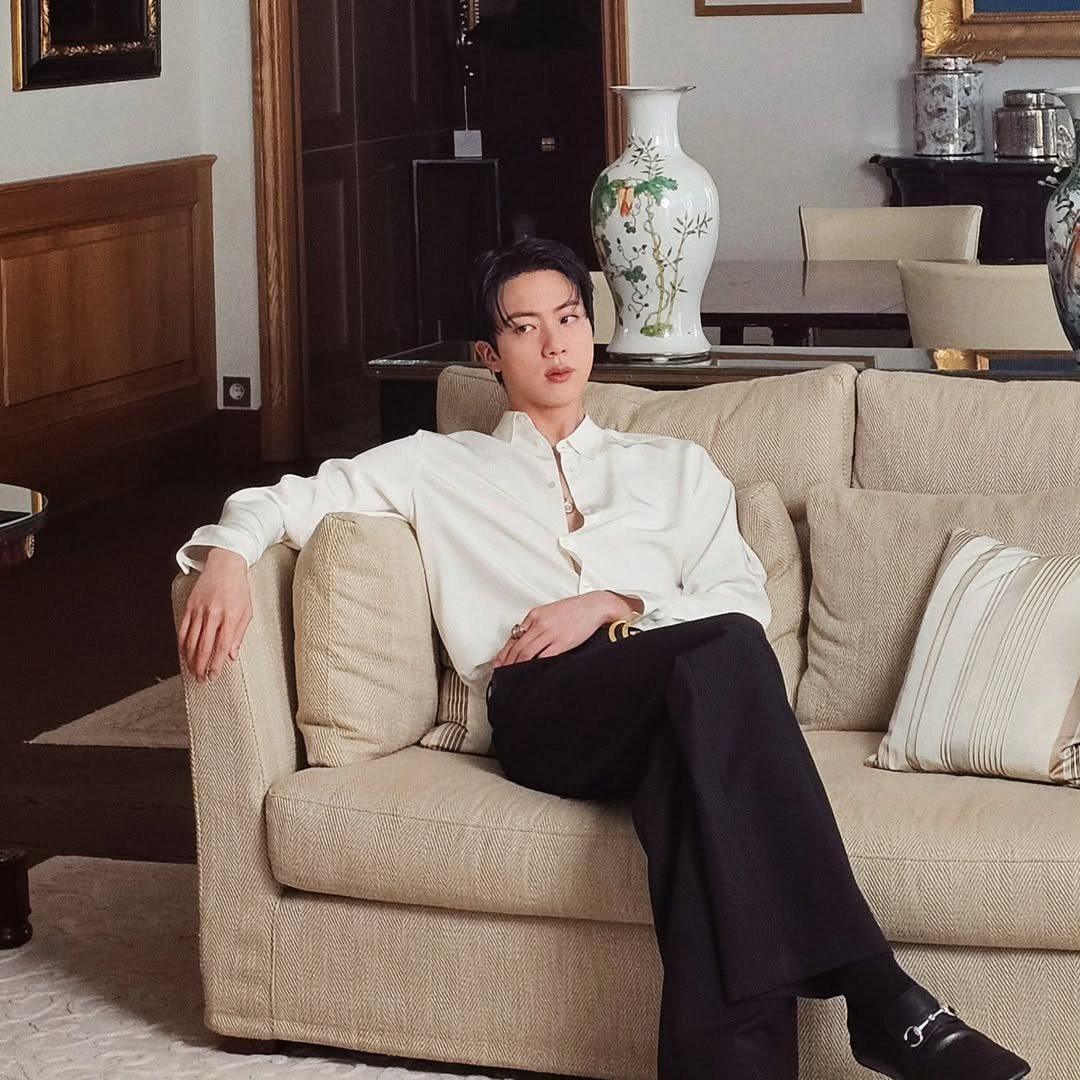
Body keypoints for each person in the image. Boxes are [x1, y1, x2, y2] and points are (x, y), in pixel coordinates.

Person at [177, 238, 1030, 1080]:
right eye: (524, 328)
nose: (554, 344)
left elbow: (740, 596)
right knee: (726, 658)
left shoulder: (675, 468)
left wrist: (616, 604)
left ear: (593, 328)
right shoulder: (436, 464)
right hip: (544, 708)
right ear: (488, 355)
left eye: (570, 318)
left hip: (673, 698)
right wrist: (225, 559)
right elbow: (282, 500)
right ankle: (880, 993)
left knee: (689, 784)